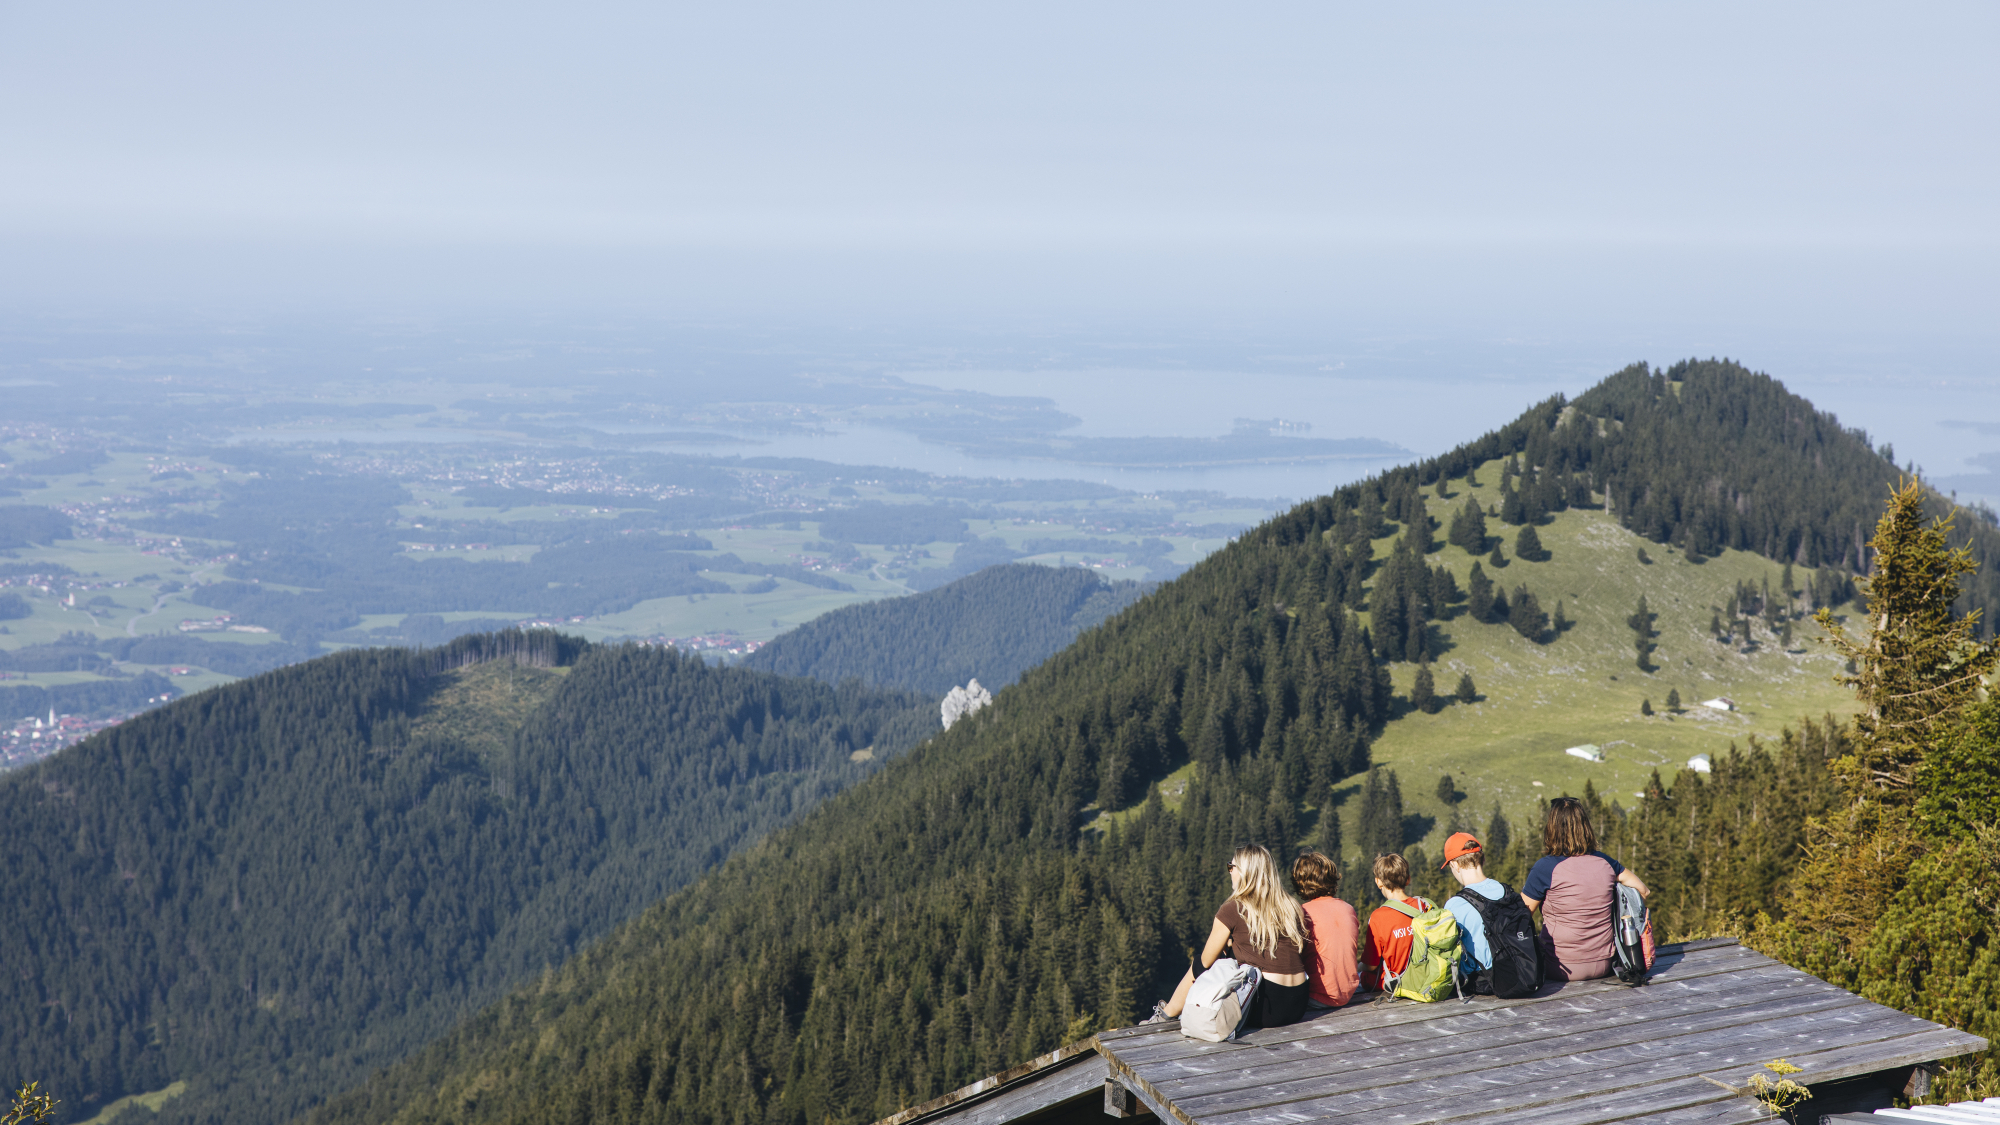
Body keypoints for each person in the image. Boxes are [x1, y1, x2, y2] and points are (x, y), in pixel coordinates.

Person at [1150, 844, 1313, 1030]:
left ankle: (1166, 1015)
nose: (1229, 872)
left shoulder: (1233, 909)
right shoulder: (1291, 906)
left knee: (1199, 964)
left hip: (1266, 1008)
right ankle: (1167, 1014)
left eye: (1231, 867)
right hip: (1298, 1003)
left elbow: (1205, 961)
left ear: (1245, 872)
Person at [1521, 796, 1650, 981]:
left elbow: (1521, 916)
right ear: (1585, 827)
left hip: (1558, 968)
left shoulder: (1545, 868)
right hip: (1606, 964)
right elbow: (1643, 891)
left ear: (1552, 828)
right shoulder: (1605, 862)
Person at [1437, 831, 1507, 990]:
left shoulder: (1455, 905)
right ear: (1483, 859)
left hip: (1482, 981)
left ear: (1454, 864)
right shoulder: (1505, 890)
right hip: (1515, 969)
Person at [1291, 850, 1359, 1009]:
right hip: (1348, 993)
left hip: (1316, 997)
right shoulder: (1348, 909)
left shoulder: (1302, 913)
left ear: (1300, 882)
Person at [1360, 853, 1434, 992]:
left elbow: (1371, 965)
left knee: (1363, 976)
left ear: (1378, 881)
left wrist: (1357, 967)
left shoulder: (1378, 917)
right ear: (1408, 880)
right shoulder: (1423, 906)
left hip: (1394, 983)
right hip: (1424, 978)